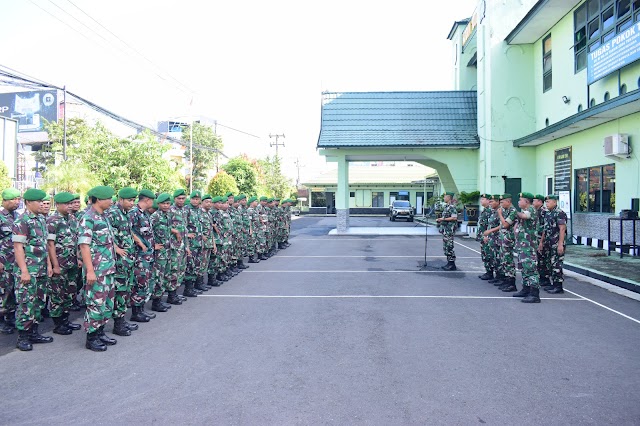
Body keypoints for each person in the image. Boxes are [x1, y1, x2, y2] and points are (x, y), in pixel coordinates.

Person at [12, 188, 53, 351]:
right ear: (29, 203)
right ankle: (23, 336)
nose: (41, 204)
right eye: (38, 202)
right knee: (26, 303)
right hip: (28, 269)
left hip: (41, 269)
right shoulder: (22, 221)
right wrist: (24, 271)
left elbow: (45, 245)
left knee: (38, 302)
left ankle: (34, 332)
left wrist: (49, 265)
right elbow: (18, 247)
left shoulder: (41, 220)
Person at [78, 185, 118, 351]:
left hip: (108, 269)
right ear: (99, 199)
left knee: (107, 303)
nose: (111, 201)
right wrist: (90, 271)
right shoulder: (88, 218)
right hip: (96, 270)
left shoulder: (103, 217)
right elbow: (84, 246)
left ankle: (100, 332)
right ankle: (91, 337)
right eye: (108, 199)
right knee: (95, 303)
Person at [106, 187, 142, 336]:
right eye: (129, 200)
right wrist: (116, 249)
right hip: (120, 261)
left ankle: (121, 320)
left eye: (133, 200)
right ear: (120, 200)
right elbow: (107, 234)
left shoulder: (125, 214)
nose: (132, 203)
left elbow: (127, 233)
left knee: (125, 291)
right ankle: (118, 325)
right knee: (120, 292)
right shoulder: (113, 213)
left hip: (128, 260)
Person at [46, 191, 82, 335]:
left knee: (70, 293)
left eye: (71, 203)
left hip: (72, 263)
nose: (70, 206)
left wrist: (79, 258)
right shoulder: (53, 221)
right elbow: (50, 245)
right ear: (58, 205)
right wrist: (55, 265)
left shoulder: (72, 219)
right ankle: (58, 323)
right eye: (67, 204)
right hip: (60, 263)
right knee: (57, 293)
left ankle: (66, 320)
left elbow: (76, 241)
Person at [129, 189, 162, 314]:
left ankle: (141, 309)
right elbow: (128, 229)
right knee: (140, 282)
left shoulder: (144, 214)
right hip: (139, 255)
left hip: (147, 255)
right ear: (147, 200)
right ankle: (136, 312)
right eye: (152, 200)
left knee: (145, 281)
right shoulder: (134, 213)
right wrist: (139, 242)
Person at [512, 192, 541, 303]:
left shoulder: (531, 210)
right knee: (524, 268)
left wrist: (514, 211)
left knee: (530, 268)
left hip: (528, 245)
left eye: (520, 200)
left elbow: (525, 216)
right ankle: (526, 289)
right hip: (522, 245)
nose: (519, 202)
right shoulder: (524, 211)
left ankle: (534, 293)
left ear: (526, 202)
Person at [150, 193, 178, 305]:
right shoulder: (155, 216)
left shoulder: (168, 215)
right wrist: (153, 245)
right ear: (158, 204)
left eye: (168, 203)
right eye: (163, 203)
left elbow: (167, 229)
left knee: (166, 275)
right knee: (158, 276)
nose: (166, 205)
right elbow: (148, 232)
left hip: (167, 250)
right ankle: (156, 302)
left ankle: (161, 299)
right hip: (159, 252)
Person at [0, 188, 21, 334]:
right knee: (3, 290)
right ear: (5, 201)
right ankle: (2, 320)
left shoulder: (17, 216)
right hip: (3, 261)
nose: (17, 202)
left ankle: (10, 316)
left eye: (19, 199)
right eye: (14, 199)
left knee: (13, 289)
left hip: (15, 261)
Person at [540, 195, 567, 294]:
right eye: (546, 202)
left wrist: (560, 244)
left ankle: (558, 286)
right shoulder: (548, 213)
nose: (547, 204)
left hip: (556, 243)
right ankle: (553, 284)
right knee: (549, 264)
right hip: (548, 242)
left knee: (557, 264)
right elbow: (545, 229)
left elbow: (562, 229)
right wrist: (541, 242)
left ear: (555, 202)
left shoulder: (559, 213)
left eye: (549, 202)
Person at [169, 189, 189, 300]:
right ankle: (171, 295)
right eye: (179, 198)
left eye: (183, 198)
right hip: (173, 246)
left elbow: (185, 230)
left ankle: (176, 293)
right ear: (174, 199)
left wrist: (187, 246)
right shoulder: (170, 210)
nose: (181, 200)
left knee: (181, 269)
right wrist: (174, 231)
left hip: (182, 246)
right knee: (174, 270)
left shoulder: (184, 211)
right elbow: (164, 225)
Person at [184, 190, 206, 295]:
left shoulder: (200, 211)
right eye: (193, 199)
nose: (195, 201)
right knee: (190, 265)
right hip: (191, 243)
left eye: (197, 199)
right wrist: (187, 234)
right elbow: (181, 225)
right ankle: (188, 289)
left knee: (197, 264)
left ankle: (195, 285)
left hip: (199, 242)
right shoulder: (186, 210)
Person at [497, 194, 518, 292]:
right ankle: (506, 280)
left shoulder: (513, 211)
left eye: (502, 202)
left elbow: (505, 225)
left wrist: (500, 215)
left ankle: (511, 283)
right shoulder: (505, 210)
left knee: (508, 260)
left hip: (509, 240)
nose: (500, 204)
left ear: (508, 202)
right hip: (503, 238)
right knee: (504, 260)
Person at [484, 195, 503, 286]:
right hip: (492, 238)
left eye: (492, 201)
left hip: (498, 238)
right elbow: (490, 224)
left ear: (498, 202)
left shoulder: (500, 212)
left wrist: (490, 231)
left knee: (498, 258)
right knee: (493, 258)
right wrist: (487, 235)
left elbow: (502, 225)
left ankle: (500, 277)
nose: (490, 203)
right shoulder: (493, 212)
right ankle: (497, 276)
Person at [533, 194, 551, 289]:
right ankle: (542, 277)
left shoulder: (544, 212)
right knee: (539, 259)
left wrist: (541, 241)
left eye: (535, 201)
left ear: (540, 202)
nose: (533, 202)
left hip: (543, 239)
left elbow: (545, 228)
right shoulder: (536, 211)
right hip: (537, 238)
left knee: (544, 259)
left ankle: (546, 279)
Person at [437, 191, 457, 271]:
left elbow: (454, 218)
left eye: (445, 196)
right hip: (445, 230)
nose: (444, 198)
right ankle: (449, 263)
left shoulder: (452, 207)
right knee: (446, 247)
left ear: (449, 197)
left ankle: (452, 264)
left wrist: (443, 219)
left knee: (449, 246)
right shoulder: (446, 207)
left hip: (449, 230)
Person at [476, 193, 494, 280]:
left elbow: (490, 225)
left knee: (488, 255)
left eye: (483, 199)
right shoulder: (485, 210)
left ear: (488, 200)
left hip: (487, 237)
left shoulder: (490, 211)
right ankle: (488, 271)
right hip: (483, 236)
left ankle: (490, 272)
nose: (481, 201)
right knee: (484, 254)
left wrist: (487, 235)